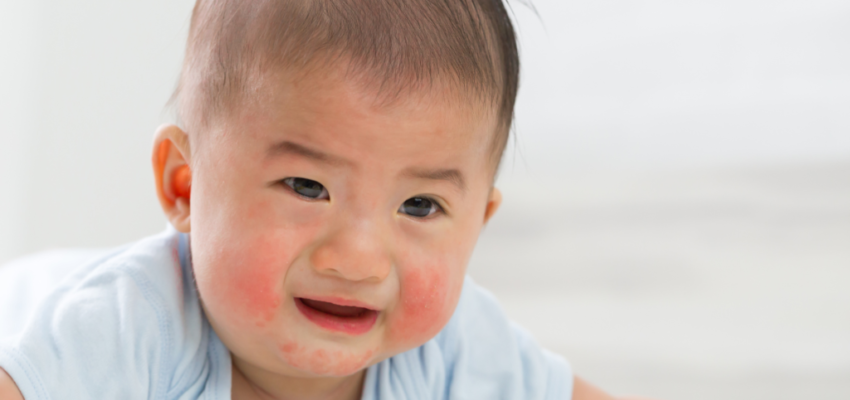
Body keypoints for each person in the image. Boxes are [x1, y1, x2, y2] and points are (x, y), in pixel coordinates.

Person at [0, 1, 650, 399]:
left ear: (477, 224)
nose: (359, 259)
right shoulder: (124, 332)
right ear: (185, 186)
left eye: (420, 206)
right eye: (308, 188)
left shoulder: (454, 350)